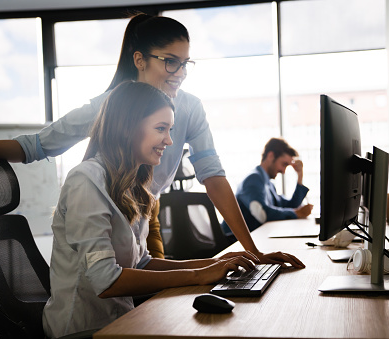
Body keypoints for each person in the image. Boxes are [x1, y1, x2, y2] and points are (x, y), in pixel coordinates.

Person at [0, 12, 303, 267]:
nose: (180, 73)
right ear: (139, 60)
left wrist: (253, 252)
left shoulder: (190, 108)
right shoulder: (109, 106)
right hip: (105, 216)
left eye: (185, 64)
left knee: (158, 298)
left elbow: (212, 176)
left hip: (147, 212)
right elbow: (36, 146)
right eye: (170, 62)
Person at [43, 81, 258, 338]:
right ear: (128, 128)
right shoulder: (86, 181)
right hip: (82, 330)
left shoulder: (133, 184)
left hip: (121, 322)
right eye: (160, 129)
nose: (169, 140)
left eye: (170, 130)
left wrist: (214, 263)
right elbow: (106, 279)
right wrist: (198, 275)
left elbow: (142, 263)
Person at [221, 138, 313, 241]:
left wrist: (300, 175)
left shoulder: (268, 184)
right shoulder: (253, 179)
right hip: (234, 242)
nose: (283, 171)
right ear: (271, 156)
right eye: (284, 164)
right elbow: (262, 214)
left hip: (255, 238)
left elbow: (290, 206)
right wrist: (296, 213)